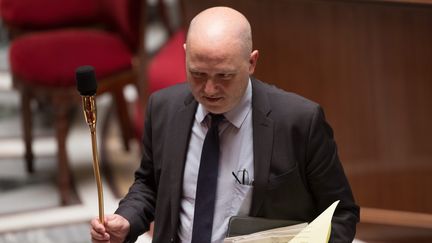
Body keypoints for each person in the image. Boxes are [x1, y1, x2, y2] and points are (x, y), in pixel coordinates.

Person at [90, 6, 359, 243]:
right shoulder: (163, 108)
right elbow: (149, 185)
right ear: (185, 55)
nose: (209, 89)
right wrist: (126, 220)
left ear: (251, 62)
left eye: (224, 75)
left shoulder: (299, 121)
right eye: (197, 74)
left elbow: (342, 213)